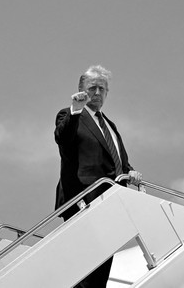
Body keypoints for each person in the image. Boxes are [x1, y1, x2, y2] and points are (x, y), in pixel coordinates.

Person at [54, 65, 142, 288]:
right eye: (93, 88)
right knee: (83, 267)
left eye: (103, 89)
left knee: (102, 268)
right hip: (82, 199)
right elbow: (63, 139)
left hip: (111, 202)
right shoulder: (70, 115)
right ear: (81, 89)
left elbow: (118, 162)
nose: (98, 93)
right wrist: (75, 109)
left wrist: (130, 172)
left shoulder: (110, 125)